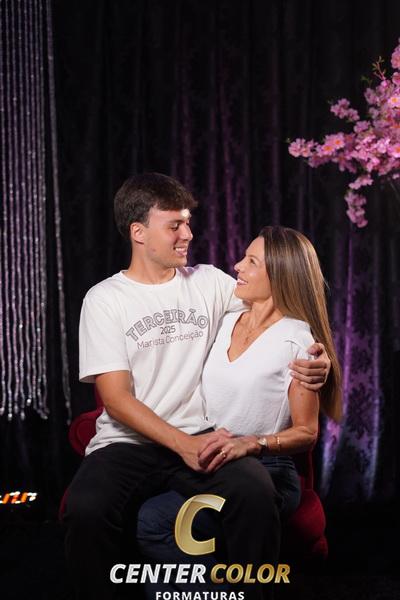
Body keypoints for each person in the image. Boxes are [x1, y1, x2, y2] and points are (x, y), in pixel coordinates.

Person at [63, 173, 331, 600]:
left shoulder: (209, 282)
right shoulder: (105, 299)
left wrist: (319, 359)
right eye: (174, 225)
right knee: (85, 510)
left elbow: (279, 305)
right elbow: (115, 398)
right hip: (127, 444)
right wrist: (182, 444)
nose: (188, 234)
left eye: (188, 223)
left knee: (254, 490)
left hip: (202, 437)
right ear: (138, 232)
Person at [136, 226, 342, 591]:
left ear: (280, 274)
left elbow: (307, 433)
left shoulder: (298, 341)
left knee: (156, 521)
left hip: (266, 472)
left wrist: (253, 443)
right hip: (211, 462)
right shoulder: (227, 318)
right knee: (147, 520)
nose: (237, 266)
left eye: (251, 262)